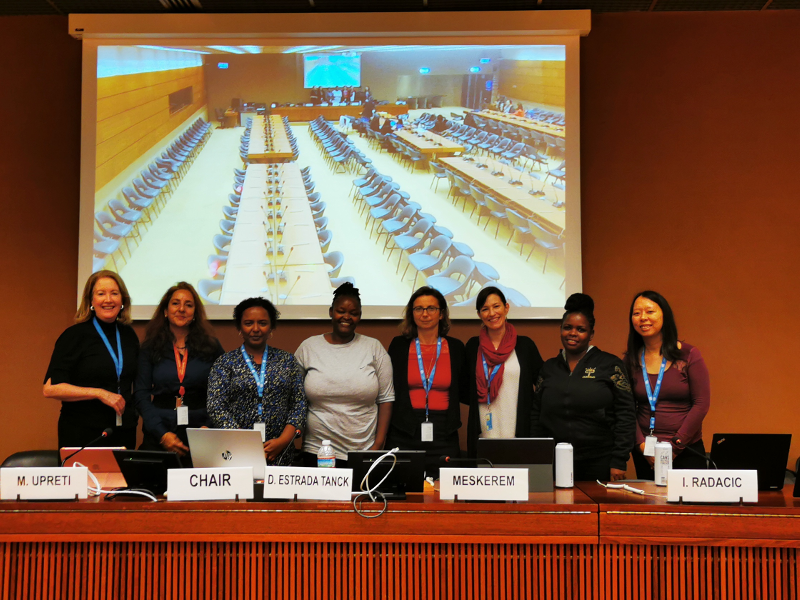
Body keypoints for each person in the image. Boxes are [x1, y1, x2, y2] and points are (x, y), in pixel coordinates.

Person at [531, 294, 636, 481]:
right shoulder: (548, 368)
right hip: (555, 461)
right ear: (561, 329)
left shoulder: (610, 365)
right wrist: (537, 457)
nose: (573, 333)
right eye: (568, 328)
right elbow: (536, 415)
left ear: (591, 334)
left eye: (581, 329)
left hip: (599, 462)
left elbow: (626, 414)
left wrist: (619, 461)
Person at [295, 282, 394, 467]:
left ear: (360, 316)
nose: (346, 317)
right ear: (331, 312)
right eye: (341, 311)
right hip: (317, 450)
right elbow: (294, 397)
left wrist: (378, 445)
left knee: (359, 497)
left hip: (364, 451)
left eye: (353, 313)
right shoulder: (308, 347)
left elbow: (386, 399)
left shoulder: (374, 348)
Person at [43, 270, 140, 448]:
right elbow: (50, 388)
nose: (108, 299)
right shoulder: (74, 336)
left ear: (123, 300)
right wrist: (99, 393)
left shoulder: (129, 335)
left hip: (123, 432)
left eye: (114, 293)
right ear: (91, 301)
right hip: (83, 434)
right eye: (101, 293)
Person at [206, 298, 306, 466]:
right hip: (236, 451)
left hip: (279, 453)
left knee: (277, 493)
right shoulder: (225, 363)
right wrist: (244, 441)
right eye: (248, 323)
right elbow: (216, 406)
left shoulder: (287, 361)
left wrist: (282, 441)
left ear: (271, 327)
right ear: (239, 327)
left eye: (262, 323)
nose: (256, 329)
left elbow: (299, 404)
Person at [625, 291, 711, 479]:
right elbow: (627, 408)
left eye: (650, 311)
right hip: (646, 452)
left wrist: (675, 446)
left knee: (688, 507)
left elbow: (701, 403)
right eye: (636, 313)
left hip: (685, 449)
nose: (643, 318)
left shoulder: (689, 355)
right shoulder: (631, 359)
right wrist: (641, 445)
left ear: (664, 315)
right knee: (649, 506)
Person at [133, 282, 224, 456]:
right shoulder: (150, 347)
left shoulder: (211, 346)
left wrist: (210, 427)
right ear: (165, 311)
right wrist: (162, 434)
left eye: (188, 305)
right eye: (175, 303)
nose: (181, 309)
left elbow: (224, 392)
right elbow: (141, 395)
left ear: (195, 313)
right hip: (160, 429)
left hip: (202, 431)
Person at [386, 287, 467, 478]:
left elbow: (463, 389)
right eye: (418, 309)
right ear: (411, 314)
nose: (425, 314)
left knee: (445, 495)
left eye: (431, 308)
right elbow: (389, 389)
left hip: (444, 432)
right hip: (405, 430)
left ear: (441, 314)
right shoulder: (398, 346)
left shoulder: (456, 348)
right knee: (403, 493)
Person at [465, 286, 543, 457]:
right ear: (479, 314)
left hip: (518, 435)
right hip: (483, 435)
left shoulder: (525, 346)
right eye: (485, 309)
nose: (492, 313)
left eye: (496, 306)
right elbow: (464, 389)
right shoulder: (472, 347)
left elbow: (542, 387)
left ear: (506, 308)